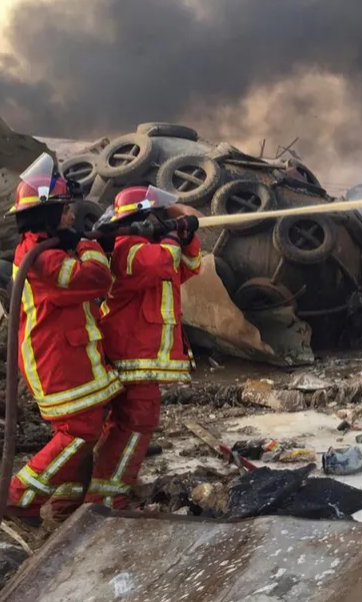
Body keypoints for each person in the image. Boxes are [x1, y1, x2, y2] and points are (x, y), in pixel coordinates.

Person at [6, 153, 123, 520]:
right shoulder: (42, 259)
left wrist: (77, 243)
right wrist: (88, 245)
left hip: (70, 355)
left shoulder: (47, 248)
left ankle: (66, 502)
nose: (72, 216)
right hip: (55, 360)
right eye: (66, 210)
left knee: (84, 427)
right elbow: (96, 279)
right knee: (79, 432)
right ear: (49, 214)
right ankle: (18, 497)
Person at [86, 186, 202, 508]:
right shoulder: (127, 248)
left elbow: (190, 266)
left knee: (127, 423)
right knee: (136, 423)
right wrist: (173, 235)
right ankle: (108, 498)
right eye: (156, 216)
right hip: (133, 355)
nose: (161, 221)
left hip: (142, 356)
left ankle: (105, 489)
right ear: (143, 218)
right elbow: (161, 262)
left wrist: (187, 235)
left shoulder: (153, 247)